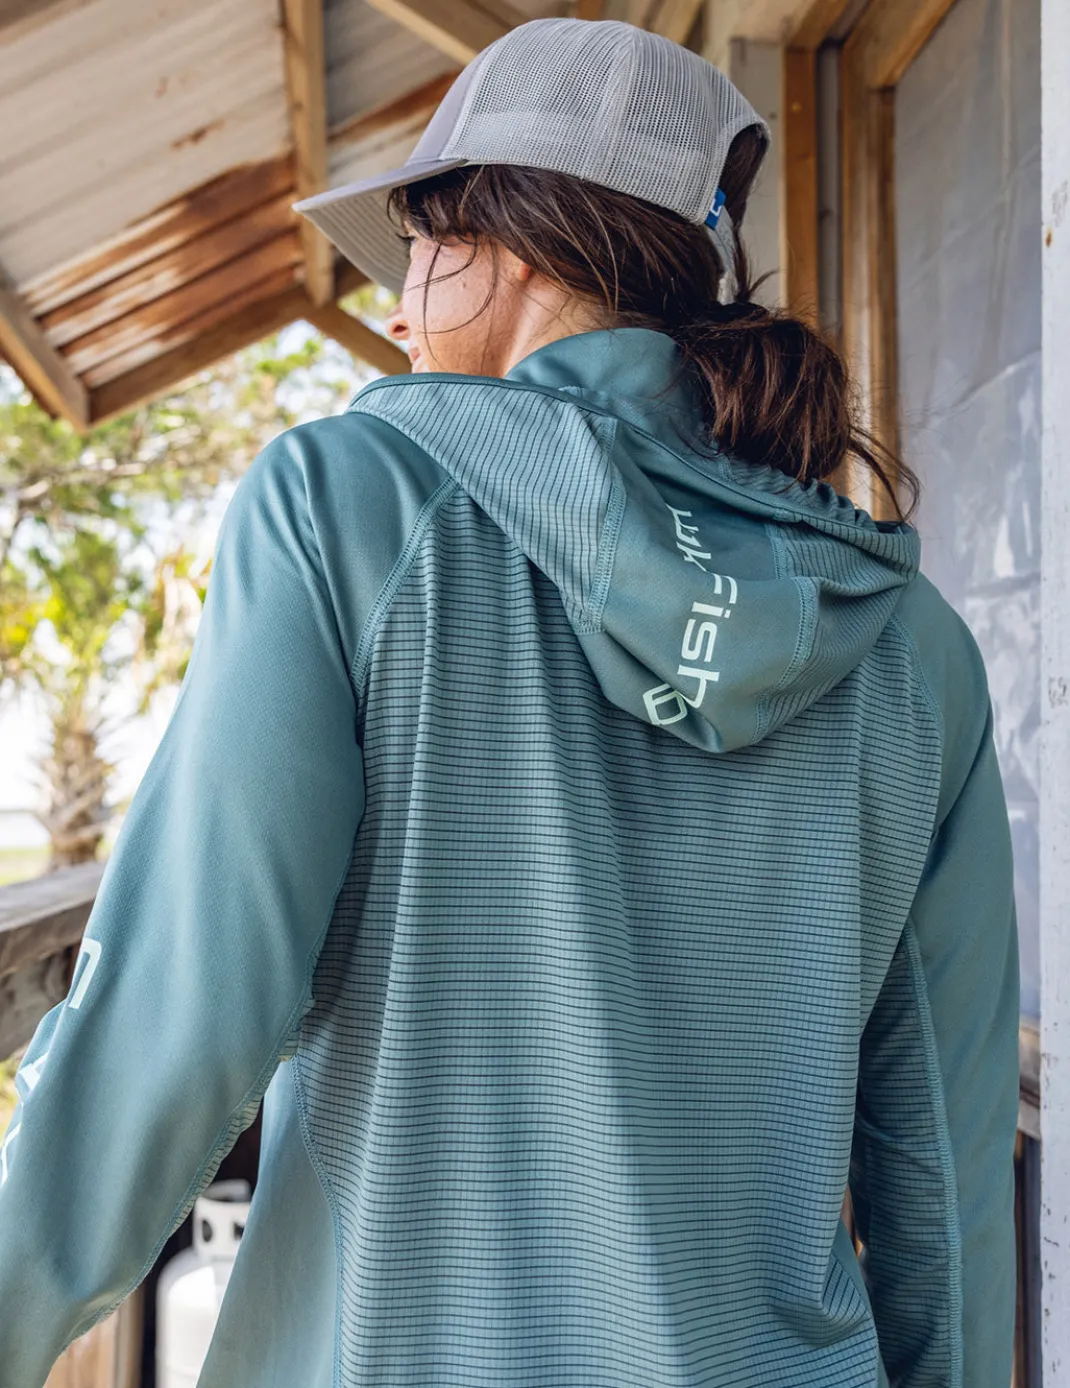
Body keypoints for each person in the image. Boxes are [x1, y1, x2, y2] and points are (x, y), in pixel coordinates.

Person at [0, 18, 1019, 1388]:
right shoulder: (911, 640)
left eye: (417, 248)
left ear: (512, 246)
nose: (398, 310)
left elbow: (173, 1023)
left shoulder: (345, 503)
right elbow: (943, 1162)